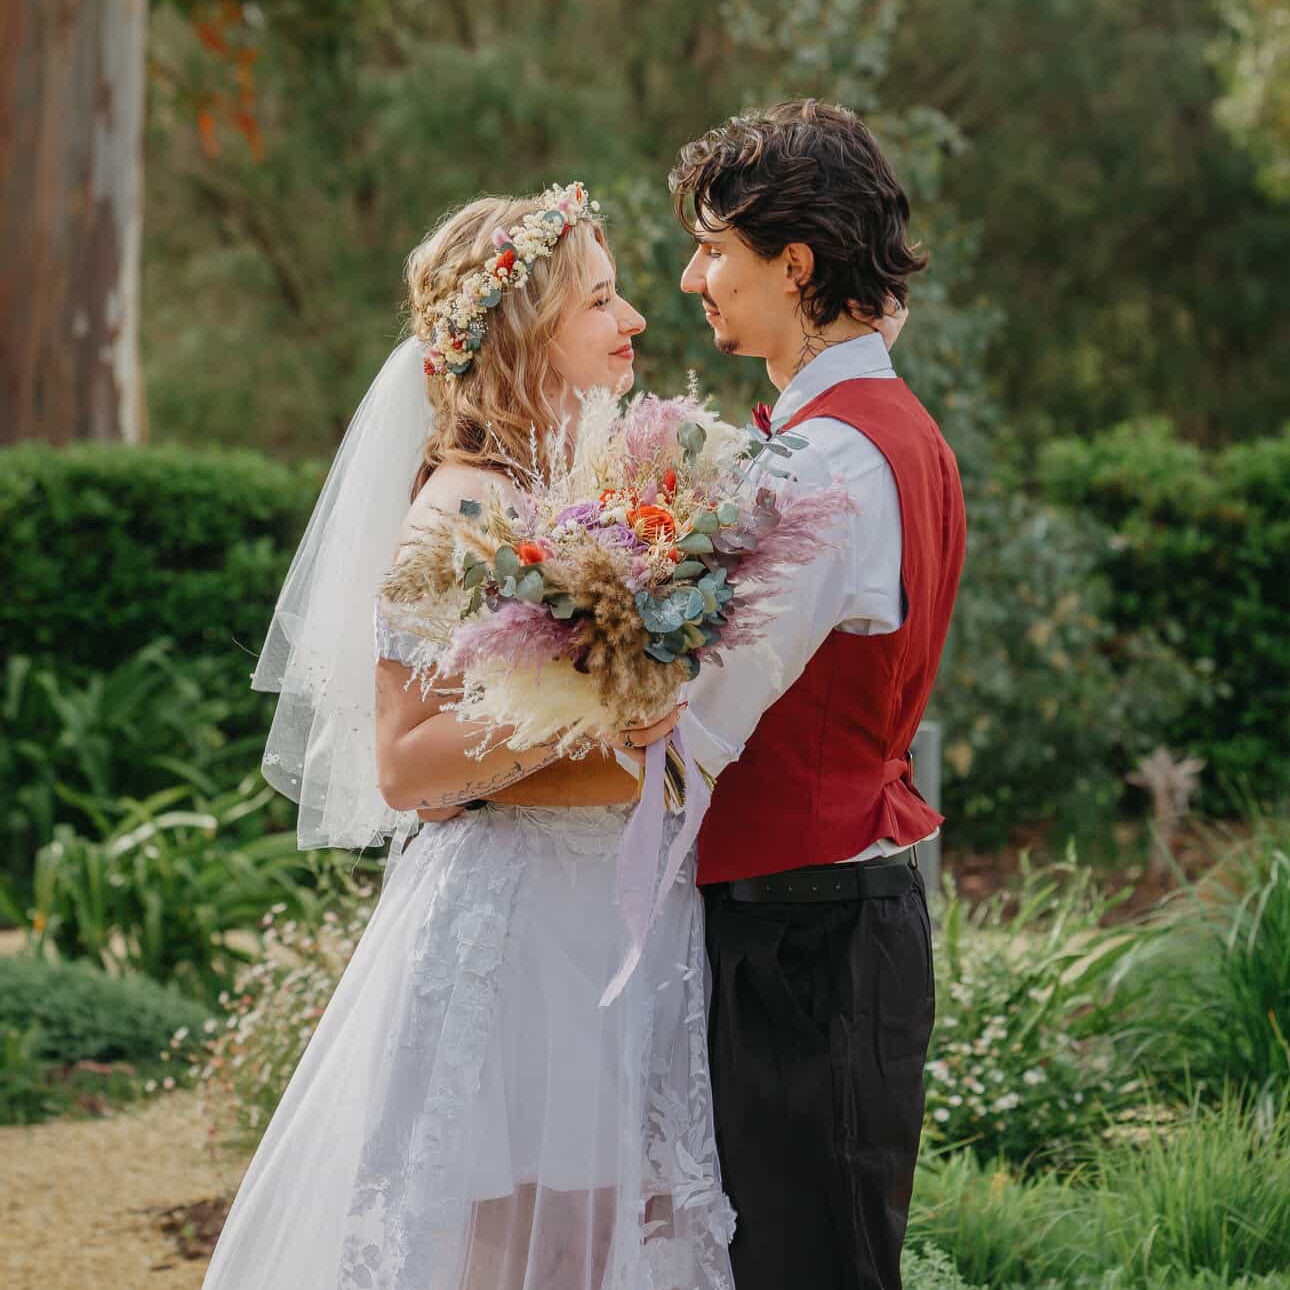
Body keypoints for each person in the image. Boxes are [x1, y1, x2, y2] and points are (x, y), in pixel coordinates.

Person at [203, 184, 736, 1290]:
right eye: (600, 300)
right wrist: (600, 711)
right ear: (526, 334)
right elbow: (406, 764)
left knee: (606, 1242)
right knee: (517, 1254)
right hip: (521, 934)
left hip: (608, 920)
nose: (634, 319)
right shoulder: (464, 509)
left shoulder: (591, 495)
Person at [659, 100, 968, 1290]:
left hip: (805, 943)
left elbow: (702, 726)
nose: (695, 276)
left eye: (716, 250)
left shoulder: (828, 462)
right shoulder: (867, 433)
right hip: (818, 924)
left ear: (794, 264)